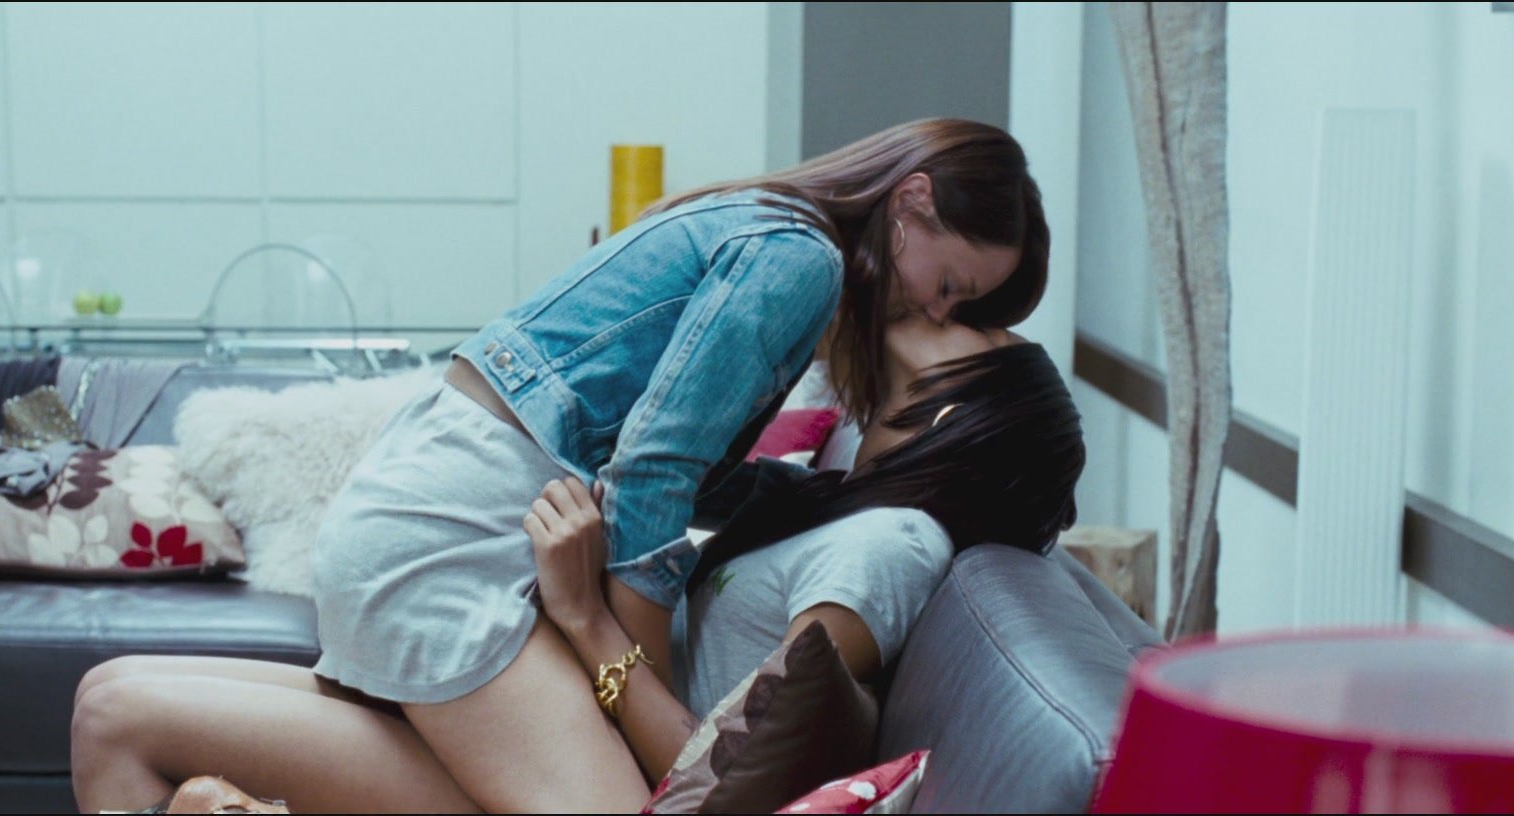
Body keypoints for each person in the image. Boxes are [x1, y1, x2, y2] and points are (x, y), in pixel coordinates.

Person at [71, 118, 1052, 812]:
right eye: (950, 283)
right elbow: (653, 474)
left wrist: (795, 493)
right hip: (460, 536)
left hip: (430, 507)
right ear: (912, 202)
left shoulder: (766, 225)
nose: (935, 310)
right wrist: (629, 681)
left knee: (501, 788)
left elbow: (679, 464)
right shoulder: (804, 259)